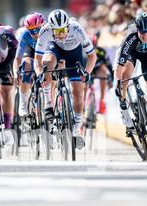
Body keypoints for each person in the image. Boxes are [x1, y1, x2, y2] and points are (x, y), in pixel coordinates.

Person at [34, 9, 97, 149]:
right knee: (47, 64)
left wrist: (86, 73)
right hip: (54, 49)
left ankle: (76, 130)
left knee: (78, 91)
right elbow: (37, 59)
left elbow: (92, 56)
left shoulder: (77, 29)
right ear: (51, 29)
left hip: (74, 54)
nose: (60, 34)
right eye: (56, 31)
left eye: (62, 30)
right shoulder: (45, 31)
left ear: (68, 26)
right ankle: (48, 104)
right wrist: (40, 74)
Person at [13, 12, 45, 117]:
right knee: (27, 64)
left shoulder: (48, 31)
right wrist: (16, 73)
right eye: (32, 31)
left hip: (45, 52)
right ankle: (23, 103)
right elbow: (17, 58)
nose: (35, 33)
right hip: (31, 51)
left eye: (38, 29)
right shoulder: (25, 35)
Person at [89, 33, 114, 115]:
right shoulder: (83, 52)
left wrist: (112, 79)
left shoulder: (101, 52)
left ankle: (102, 101)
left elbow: (109, 66)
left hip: (97, 69)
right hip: (87, 69)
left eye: (94, 48)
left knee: (103, 71)